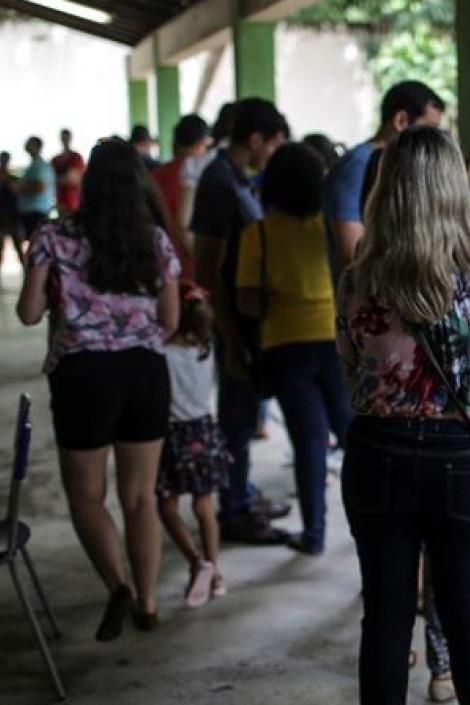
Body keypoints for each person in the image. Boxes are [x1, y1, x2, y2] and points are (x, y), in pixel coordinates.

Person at [337, 126, 470, 705]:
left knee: (385, 620)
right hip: (464, 460)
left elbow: (350, 368)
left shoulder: (359, 279)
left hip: (377, 454)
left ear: (387, 191)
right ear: (457, 187)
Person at [16, 139, 181, 641]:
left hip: (82, 375)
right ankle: (149, 604)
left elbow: (27, 312)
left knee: (87, 497)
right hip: (144, 373)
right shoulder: (153, 239)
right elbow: (170, 321)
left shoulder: (53, 235)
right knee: (140, 499)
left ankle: (117, 584)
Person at [235, 142, 352, 555]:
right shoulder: (329, 227)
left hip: (284, 345)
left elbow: (247, 302)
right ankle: (371, 533)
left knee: (309, 442)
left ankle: (314, 535)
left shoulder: (258, 234)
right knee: (353, 438)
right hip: (336, 341)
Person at [191, 97, 292, 543]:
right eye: (272, 146)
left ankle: (242, 494)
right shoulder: (218, 183)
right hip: (234, 320)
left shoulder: (234, 178)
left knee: (244, 415)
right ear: (255, 140)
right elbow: (208, 268)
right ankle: (233, 510)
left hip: (246, 321)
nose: (271, 157)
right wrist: (230, 334)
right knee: (235, 419)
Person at [156, 285, 230, 605]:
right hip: (204, 430)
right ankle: (214, 574)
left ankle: (195, 561)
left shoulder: (161, 352)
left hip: (171, 434)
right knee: (204, 506)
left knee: (167, 505)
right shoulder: (207, 347)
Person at [324, 80, 445, 274]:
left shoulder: (398, 165)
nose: (432, 140)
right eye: (428, 130)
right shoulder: (357, 166)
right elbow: (351, 253)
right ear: (401, 121)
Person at [152, 114, 211, 278]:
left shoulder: (155, 176)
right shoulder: (204, 176)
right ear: (201, 144)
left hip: (161, 264)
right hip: (190, 266)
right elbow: (184, 228)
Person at [0, 151, 25, 284]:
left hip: (11, 217)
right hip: (1, 217)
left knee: (17, 247)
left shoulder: (11, 179)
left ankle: (25, 274)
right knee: (0, 248)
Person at [18, 136, 56, 244]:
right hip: (37, 211)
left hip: (36, 212)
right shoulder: (38, 164)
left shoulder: (38, 165)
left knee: (37, 244)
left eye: (29, 143)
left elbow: (39, 187)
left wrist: (19, 189)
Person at [51, 128, 86, 216]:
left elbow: (72, 178)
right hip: (60, 200)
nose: (65, 140)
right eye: (63, 137)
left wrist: (56, 180)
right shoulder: (55, 159)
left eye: (66, 137)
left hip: (74, 200)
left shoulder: (76, 157)